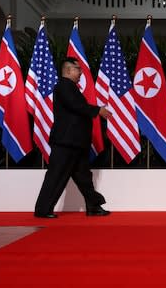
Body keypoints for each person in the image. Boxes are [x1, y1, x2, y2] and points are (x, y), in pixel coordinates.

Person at [34, 57, 112, 218]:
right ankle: (42, 210)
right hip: (65, 142)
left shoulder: (71, 88)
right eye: (78, 69)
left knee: (84, 177)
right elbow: (76, 105)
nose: (81, 73)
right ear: (68, 70)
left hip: (77, 143)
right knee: (56, 176)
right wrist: (98, 110)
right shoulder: (63, 86)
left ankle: (94, 207)